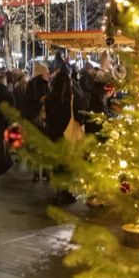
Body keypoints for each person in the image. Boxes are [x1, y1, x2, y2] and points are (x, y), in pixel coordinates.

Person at [44, 68, 86, 204]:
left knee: (57, 165)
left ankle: (60, 191)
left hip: (54, 134)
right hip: (68, 135)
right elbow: (81, 114)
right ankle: (66, 191)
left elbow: (48, 116)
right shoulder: (73, 97)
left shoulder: (50, 97)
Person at [22, 64, 51, 182]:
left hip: (39, 121)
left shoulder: (45, 86)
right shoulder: (34, 86)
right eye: (46, 73)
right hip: (36, 121)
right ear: (40, 74)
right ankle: (40, 172)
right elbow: (27, 105)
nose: (48, 75)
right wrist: (41, 102)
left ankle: (41, 172)